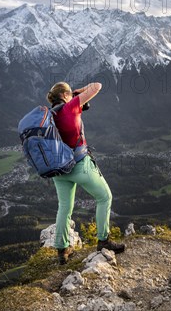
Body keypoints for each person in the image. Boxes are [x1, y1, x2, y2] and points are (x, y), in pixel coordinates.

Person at [46, 81, 125, 265]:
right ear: (65, 95)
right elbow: (97, 86)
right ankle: (103, 240)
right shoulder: (69, 107)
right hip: (80, 164)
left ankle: (62, 249)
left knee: (64, 208)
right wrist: (77, 92)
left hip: (58, 169)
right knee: (104, 197)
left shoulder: (50, 115)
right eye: (69, 94)